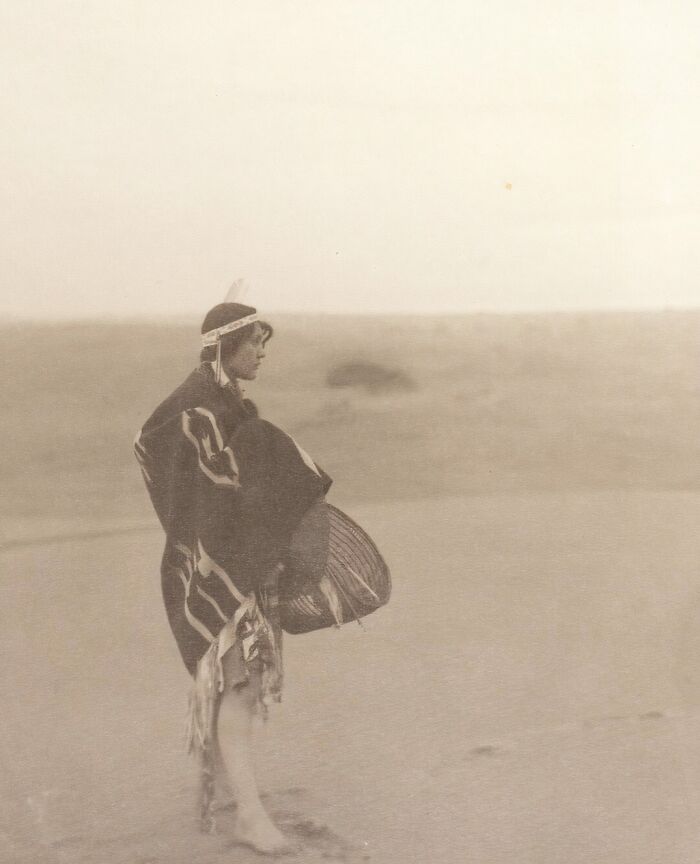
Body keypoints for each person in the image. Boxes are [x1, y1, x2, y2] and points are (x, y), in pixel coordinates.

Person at [135, 302, 332, 855]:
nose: (264, 353)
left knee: (233, 685)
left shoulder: (222, 402)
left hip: (230, 561)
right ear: (226, 347)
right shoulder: (196, 407)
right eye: (256, 344)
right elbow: (168, 455)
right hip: (213, 569)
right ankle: (248, 814)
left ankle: (222, 794)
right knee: (241, 686)